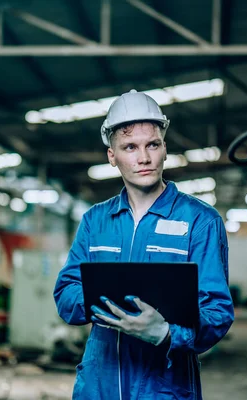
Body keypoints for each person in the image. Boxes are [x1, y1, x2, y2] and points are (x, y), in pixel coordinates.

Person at [53, 89, 234, 399]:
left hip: (164, 386)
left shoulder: (200, 221)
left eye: (152, 144)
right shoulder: (95, 221)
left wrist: (165, 333)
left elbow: (217, 310)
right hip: (100, 384)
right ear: (112, 156)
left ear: (164, 148)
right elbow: (66, 293)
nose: (144, 158)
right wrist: (107, 304)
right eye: (129, 147)